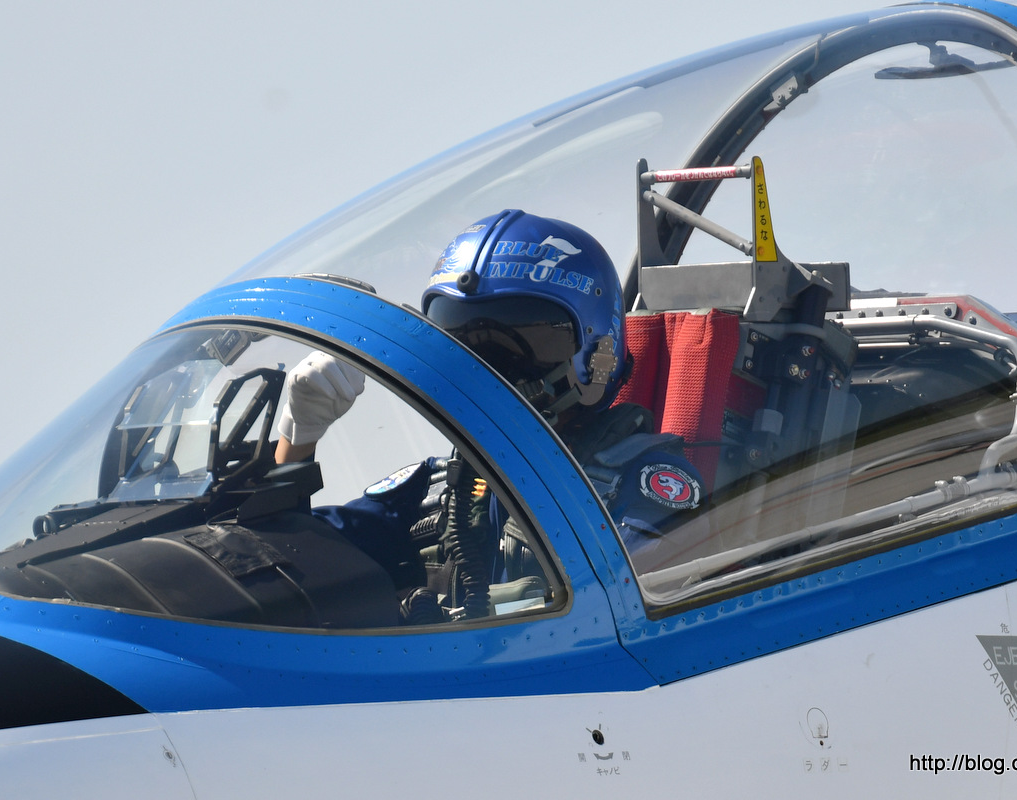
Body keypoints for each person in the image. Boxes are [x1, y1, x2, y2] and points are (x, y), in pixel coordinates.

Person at [275, 209, 703, 611]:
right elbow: (289, 555)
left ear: (599, 354)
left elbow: (619, 618)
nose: (489, 373)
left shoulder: (640, 488)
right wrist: (298, 437)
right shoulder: (437, 490)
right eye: (462, 343)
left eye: (525, 342)